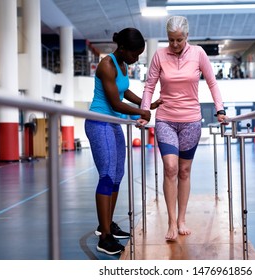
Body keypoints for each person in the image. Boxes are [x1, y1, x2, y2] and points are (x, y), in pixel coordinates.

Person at [138, 16, 227, 241]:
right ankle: (170, 221)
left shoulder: (198, 54)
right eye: (171, 40)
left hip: (191, 121)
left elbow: (212, 82)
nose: (175, 45)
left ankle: (182, 219)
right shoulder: (159, 55)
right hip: (166, 119)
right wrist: (144, 112)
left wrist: (220, 110)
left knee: (184, 171)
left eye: (179, 40)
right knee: (170, 168)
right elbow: (149, 86)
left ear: (187, 36)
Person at [85, 27, 161, 255]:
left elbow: (124, 92)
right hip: (99, 122)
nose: (136, 59)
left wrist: (147, 105)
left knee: (117, 175)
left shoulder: (123, 65)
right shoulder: (106, 65)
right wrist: (142, 112)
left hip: (114, 123)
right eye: (135, 54)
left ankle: (106, 224)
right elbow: (116, 103)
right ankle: (105, 237)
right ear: (123, 48)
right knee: (107, 174)